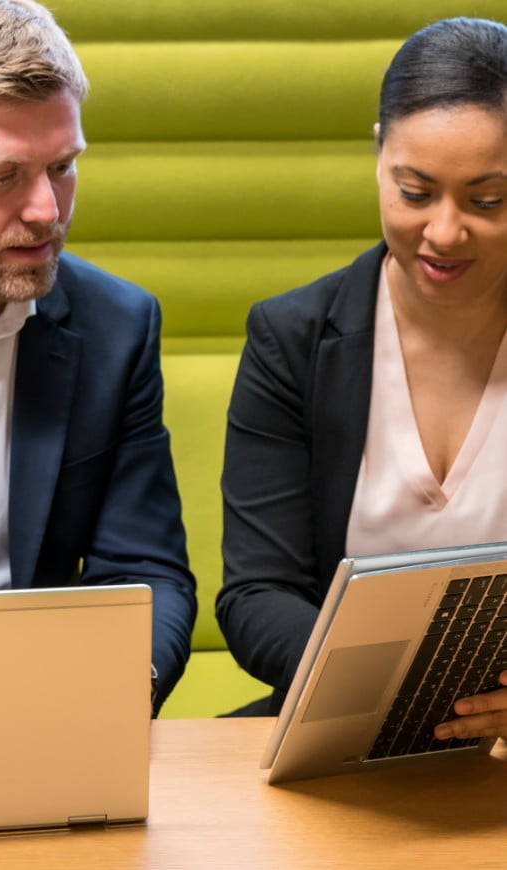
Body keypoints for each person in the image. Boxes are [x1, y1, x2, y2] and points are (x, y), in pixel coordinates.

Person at [217, 16, 507, 741]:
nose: (443, 232)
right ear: (379, 155)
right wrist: (385, 688)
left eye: (487, 200)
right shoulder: (290, 339)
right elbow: (258, 593)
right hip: (338, 723)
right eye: (414, 193)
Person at [0, 0, 196, 714]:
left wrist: (110, 698)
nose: (47, 209)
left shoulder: (117, 327)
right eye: (3, 176)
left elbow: (144, 573)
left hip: (26, 716)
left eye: (63, 166)